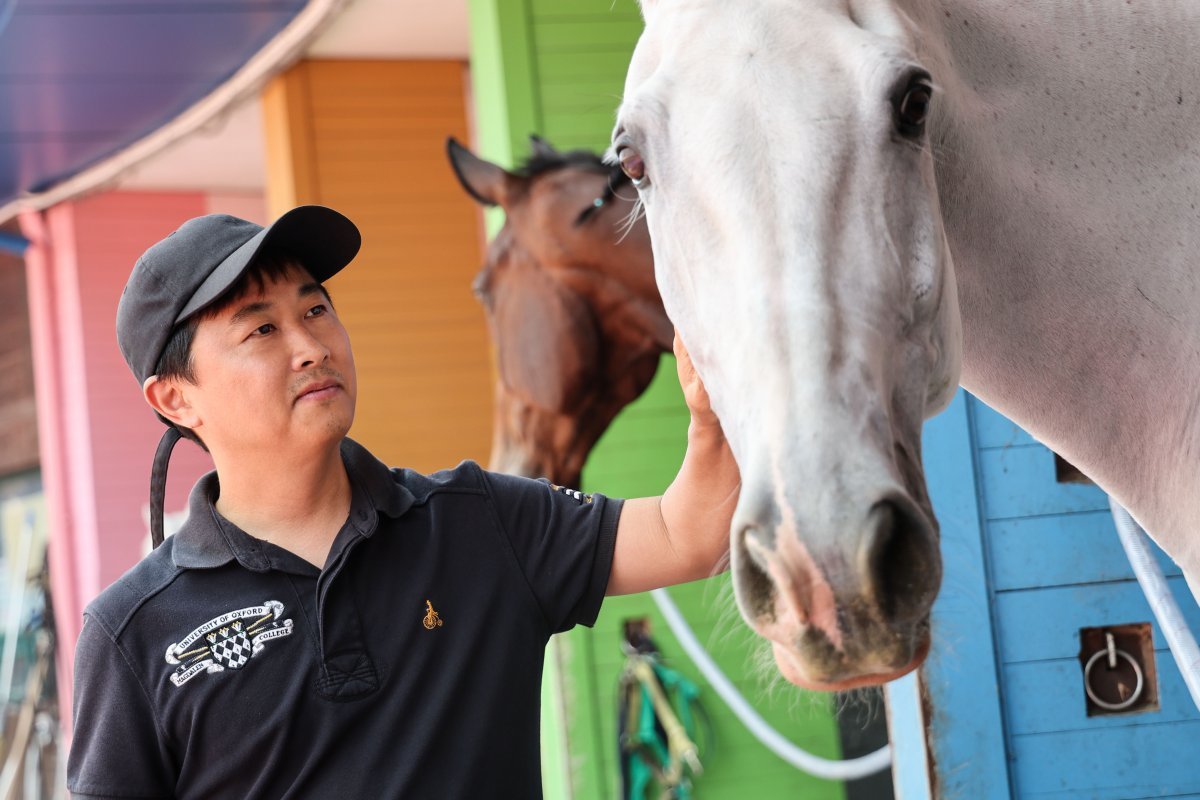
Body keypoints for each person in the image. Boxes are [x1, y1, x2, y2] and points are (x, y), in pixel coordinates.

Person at [66, 206, 740, 799]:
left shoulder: (479, 521)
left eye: (315, 309)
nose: (311, 347)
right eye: (261, 331)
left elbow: (694, 534)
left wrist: (715, 410)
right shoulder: (134, 633)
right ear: (176, 398)